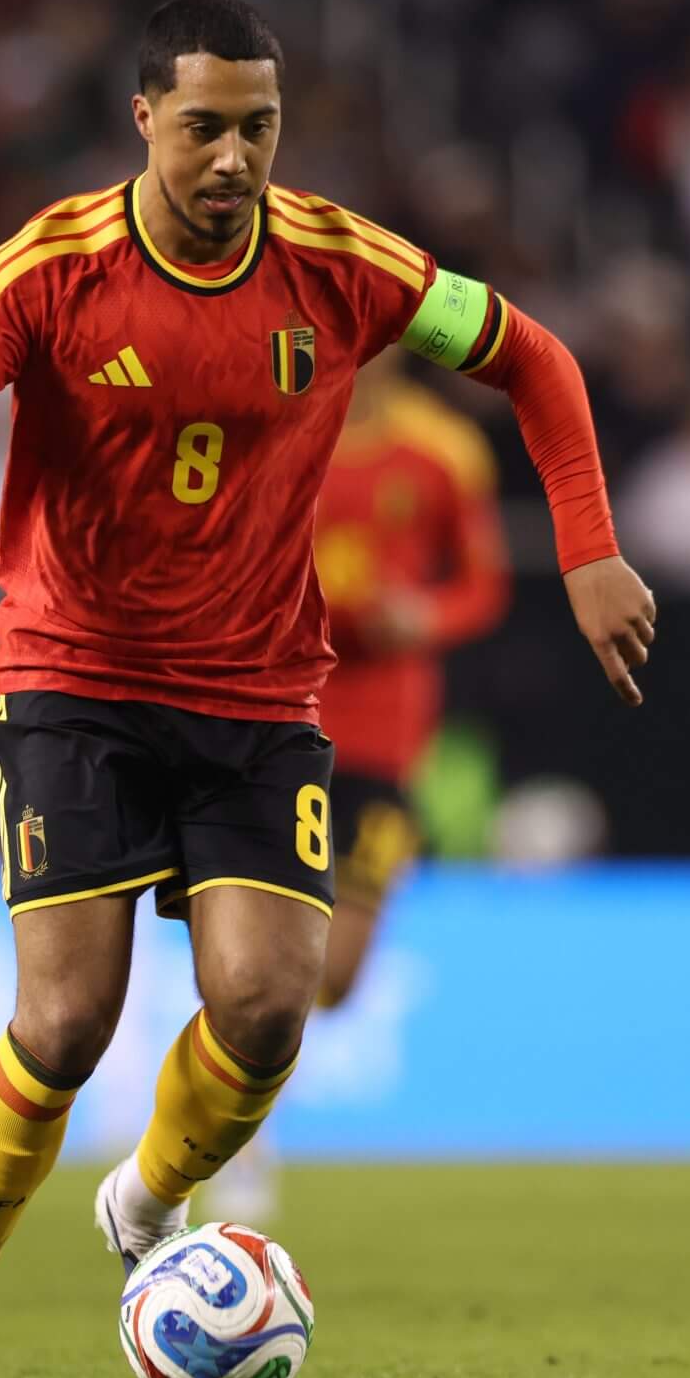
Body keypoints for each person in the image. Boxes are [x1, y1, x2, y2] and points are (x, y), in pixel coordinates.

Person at [0, 0, 654, 1378]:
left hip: (262, 686)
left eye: (258, 127)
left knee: (272, 1004)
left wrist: (589, 549)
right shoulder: (54, 264)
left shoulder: (344, 264)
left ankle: (150, 1191)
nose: (233, 157)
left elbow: (538, 359)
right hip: (71, 671)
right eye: (204, 126)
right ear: (145, 119)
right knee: (66, 1022)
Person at [209, 351, 511, 1222]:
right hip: (278, 718)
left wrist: (428, 615)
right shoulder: (273, 431)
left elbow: (483, 583)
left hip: (386, 739)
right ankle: (236, 1132)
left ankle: (237, 1090)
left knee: (334, 977)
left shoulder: (444, 452)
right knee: (261, 946)